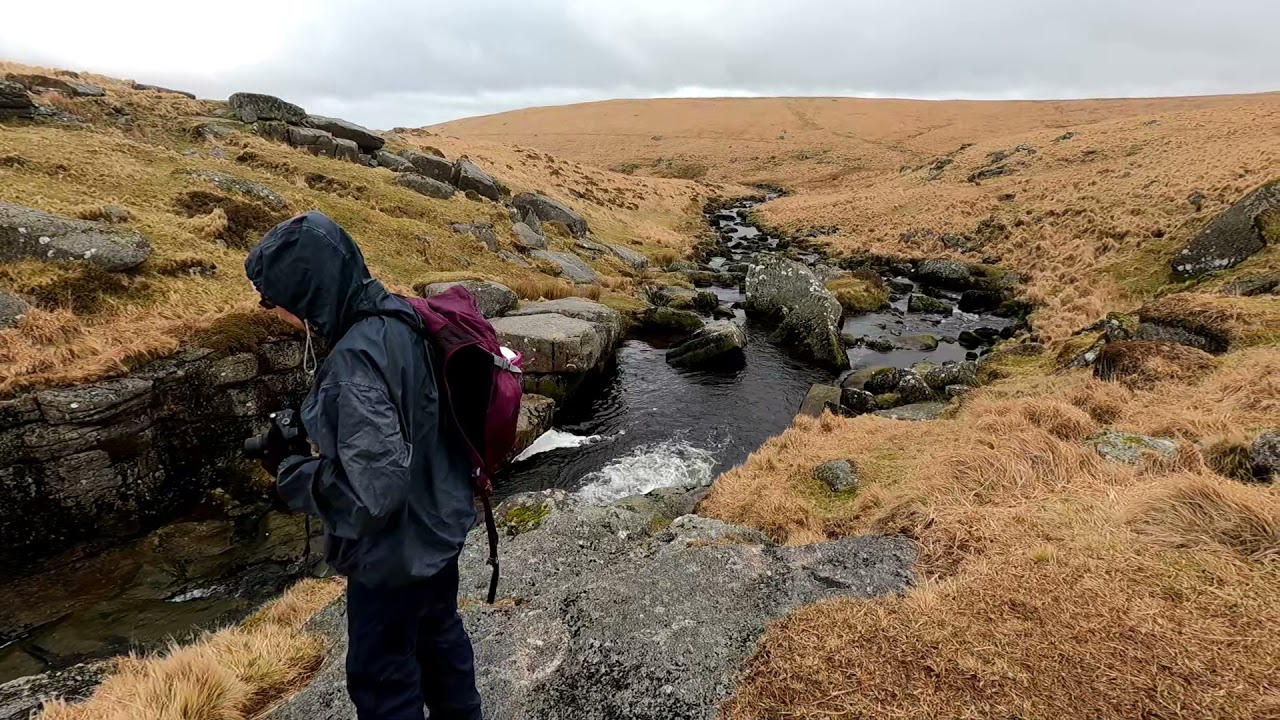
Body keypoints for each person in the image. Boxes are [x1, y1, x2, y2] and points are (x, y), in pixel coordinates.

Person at [245, 211, 483, 720]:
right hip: (438, 529)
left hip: (391, 558)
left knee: (383, 682)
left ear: (304, 293)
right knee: (442, 648)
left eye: (272, 298)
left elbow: (371, 495)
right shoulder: (403, 316)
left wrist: (290, 471)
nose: (272, 311)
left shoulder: (353, 362)